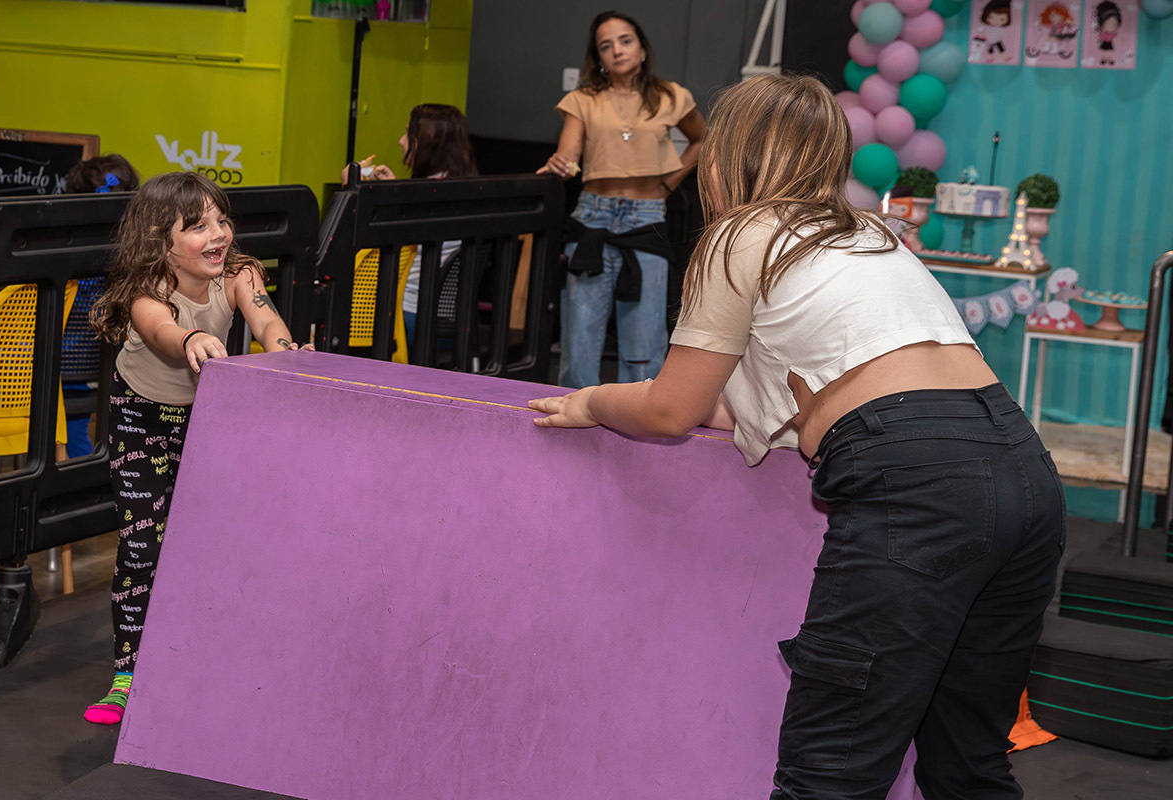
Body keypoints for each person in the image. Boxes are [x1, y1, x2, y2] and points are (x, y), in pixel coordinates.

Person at [530, 75, 1065, 800]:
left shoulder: (742, 235)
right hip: (1022, 466)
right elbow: (768, 400)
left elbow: (670, 410)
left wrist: (591, 399)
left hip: (915, 481)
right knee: (968, 765)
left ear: (727, 160)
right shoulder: (872, 233)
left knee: (829, 773)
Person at [83, 171, 312, 725]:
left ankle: (201, 659)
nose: (219, 234)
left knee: (211, 541)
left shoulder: (238, 273)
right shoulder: (147, 287)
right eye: (199, 226)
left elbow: (266, 319)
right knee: (144, 546)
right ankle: (127, 674)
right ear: (162, 242)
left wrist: (288, 354)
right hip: (140, 420)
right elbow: (161, 330)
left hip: (207, 418)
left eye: (222, 220)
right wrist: (191, 338)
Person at [538, 10, 705, 389]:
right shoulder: (582, 100)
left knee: (644, 347)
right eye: (605, 46)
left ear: (642, 47)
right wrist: (559, 166)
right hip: (592, 219)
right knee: (579, 343)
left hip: (646, 220)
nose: (617, 50)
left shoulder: (671, 96)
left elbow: (703, 138)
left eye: (625, 40)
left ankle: (640, 432)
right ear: (598, 58)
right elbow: (568, 155)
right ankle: (572, 430)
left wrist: (670, 182)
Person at [342, 103, 477, 347]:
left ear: (426, 142)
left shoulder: (423, 196)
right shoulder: (463, 191)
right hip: (452, 321)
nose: (400, 141)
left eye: (408, 133)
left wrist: (349, 191)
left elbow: (353, 241)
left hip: (406, 321)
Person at [61, 154, 142, 458]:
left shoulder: (59, 253)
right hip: (109, 368)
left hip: (54, 369)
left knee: (69, 430)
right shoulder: (132, 257)